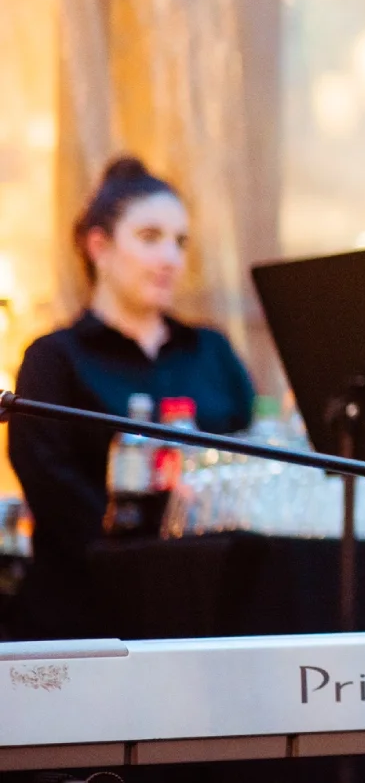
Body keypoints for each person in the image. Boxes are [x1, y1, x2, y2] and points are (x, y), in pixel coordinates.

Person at [7, 157, 254, 639]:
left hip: (212, 611)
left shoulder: (212, 350)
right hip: (85, 616)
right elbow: (56, 495)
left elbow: (253, 459)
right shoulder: (54, 360)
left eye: (180, 242)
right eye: (150, 238)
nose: (171, 259)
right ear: (97, 246)